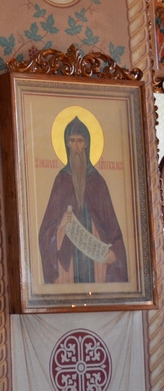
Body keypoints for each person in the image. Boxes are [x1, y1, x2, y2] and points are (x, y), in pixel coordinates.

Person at [37, 116, 127, 284]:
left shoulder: (98, 182)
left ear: (86, 144)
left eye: (80, 141)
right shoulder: (61, 181)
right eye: (72, 141)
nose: (76, 146)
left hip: (97, 257)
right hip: (69, 261)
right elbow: (45, 230)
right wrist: (59, 225)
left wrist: (115, 252)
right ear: (67, 144)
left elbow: (112, 227)